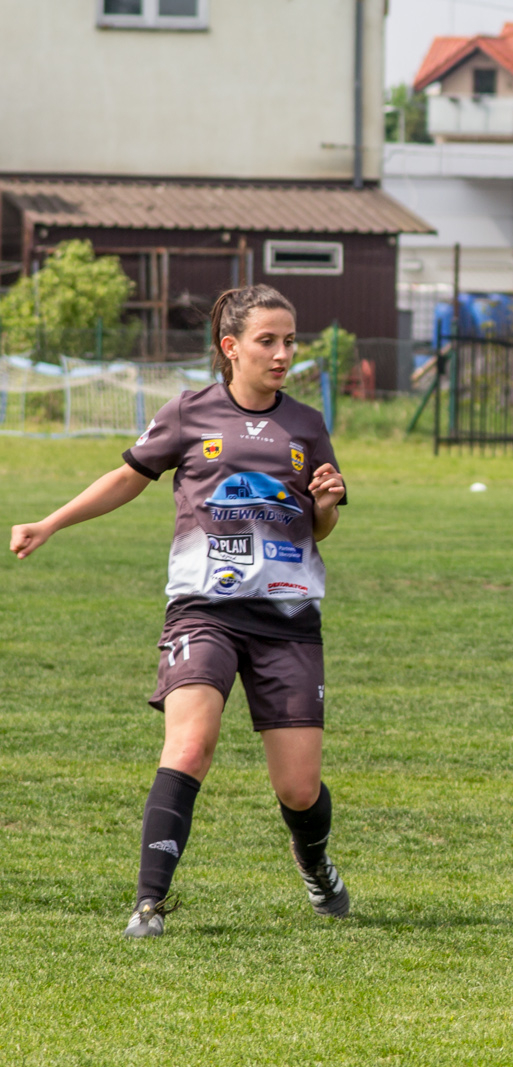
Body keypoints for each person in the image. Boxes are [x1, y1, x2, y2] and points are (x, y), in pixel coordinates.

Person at [9, 285, 352, 937]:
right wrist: (50, 521)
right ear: (231, 348)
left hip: (288, 620)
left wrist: (328, 503)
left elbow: (317, 526)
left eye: (290, 340)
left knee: (299, 789)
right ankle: (148, 901)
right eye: (268, 341)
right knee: (190, 743)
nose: (284, 353)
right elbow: (127, 476)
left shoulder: (306, 423)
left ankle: (314, 863)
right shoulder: (189, 413)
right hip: (204, 609)